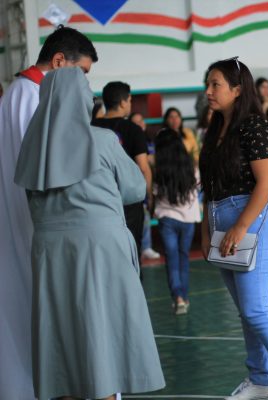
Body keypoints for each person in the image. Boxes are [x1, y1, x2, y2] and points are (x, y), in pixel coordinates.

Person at [14, 66, 165, 400]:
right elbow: (135, 189)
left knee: (60, 340)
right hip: (99, 250)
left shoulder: (31, 148)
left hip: (50, 253)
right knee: (103, 337)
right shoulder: (103, 140)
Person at [199, 57, 268, 400]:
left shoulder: (254, 126)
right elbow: (210, 185)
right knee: (247, 311)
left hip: (252, 218)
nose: (208, 91)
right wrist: (206, 229)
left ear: (237, 89)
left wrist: (240, 226)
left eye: (215, 84)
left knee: (256, 308)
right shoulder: (215, 128)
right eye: (207, 84)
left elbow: (266, 182)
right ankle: (260, 381)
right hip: (221, 219)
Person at [0, 25, 97, 400]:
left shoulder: (16, 93)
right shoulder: (36, 97)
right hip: (38, 224)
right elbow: (52, 168)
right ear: (59, 62)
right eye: (82, 72)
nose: (85, 83)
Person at [93, 81, 153, 268]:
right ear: (122, 102)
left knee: (104, 259)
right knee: (131, 257)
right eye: (130, 100)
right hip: (129, 202)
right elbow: (143, 167)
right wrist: (148, 197)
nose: (130, 104)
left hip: (98, 200)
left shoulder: (91, 127)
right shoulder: (133, 129)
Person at [154, 128, 200, 315]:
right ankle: (184, 297)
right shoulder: (191, 167)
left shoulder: (159, 169)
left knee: (172, 259)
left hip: (167, 219)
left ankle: (178, 297)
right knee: (183, 257)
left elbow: (155, 192)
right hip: (188, 219)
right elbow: (197, 189)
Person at [130, 111, 161, 261]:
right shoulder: (130, 142)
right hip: (138, 186)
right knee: (143, 215)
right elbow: (144, 164)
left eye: (141, 120)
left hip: (155, 183)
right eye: (136, 122)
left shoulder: (150, 141)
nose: (140, 124)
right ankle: (145, 247)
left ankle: (146, 247)